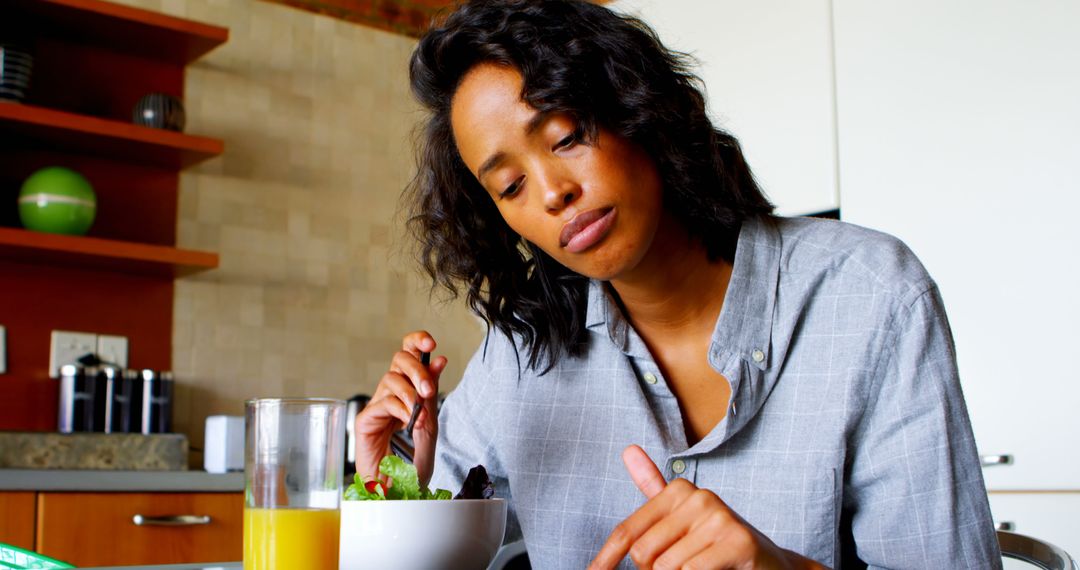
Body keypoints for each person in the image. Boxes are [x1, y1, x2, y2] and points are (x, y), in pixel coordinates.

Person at [354, 0, 1001, 567]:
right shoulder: (524, 352)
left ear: (636, 108)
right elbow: (422, 543)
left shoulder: (869, 295)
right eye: (510, 186)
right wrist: (387, 479)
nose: (553, 193)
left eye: (567, 136)